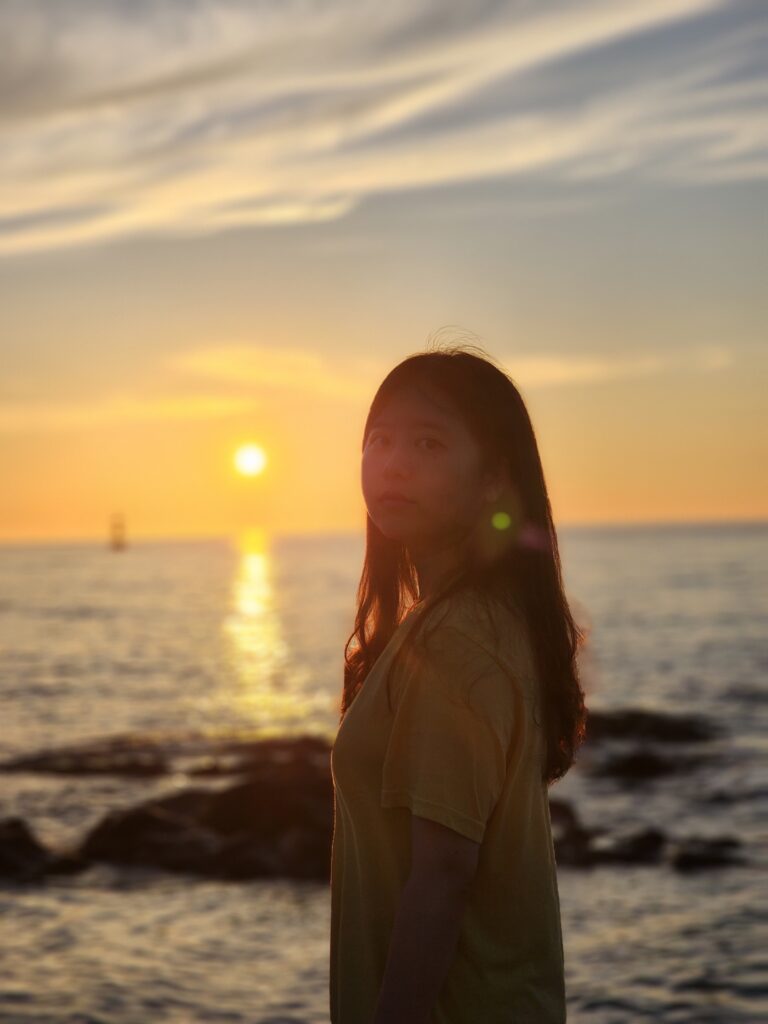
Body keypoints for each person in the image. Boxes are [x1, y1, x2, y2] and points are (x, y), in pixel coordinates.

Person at [329, 340, 587, 1023]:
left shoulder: (458, 640)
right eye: (379, 439)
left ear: (495, 479)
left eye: (428, 443)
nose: (393, 463)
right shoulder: (470, 622)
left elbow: (441, 876)